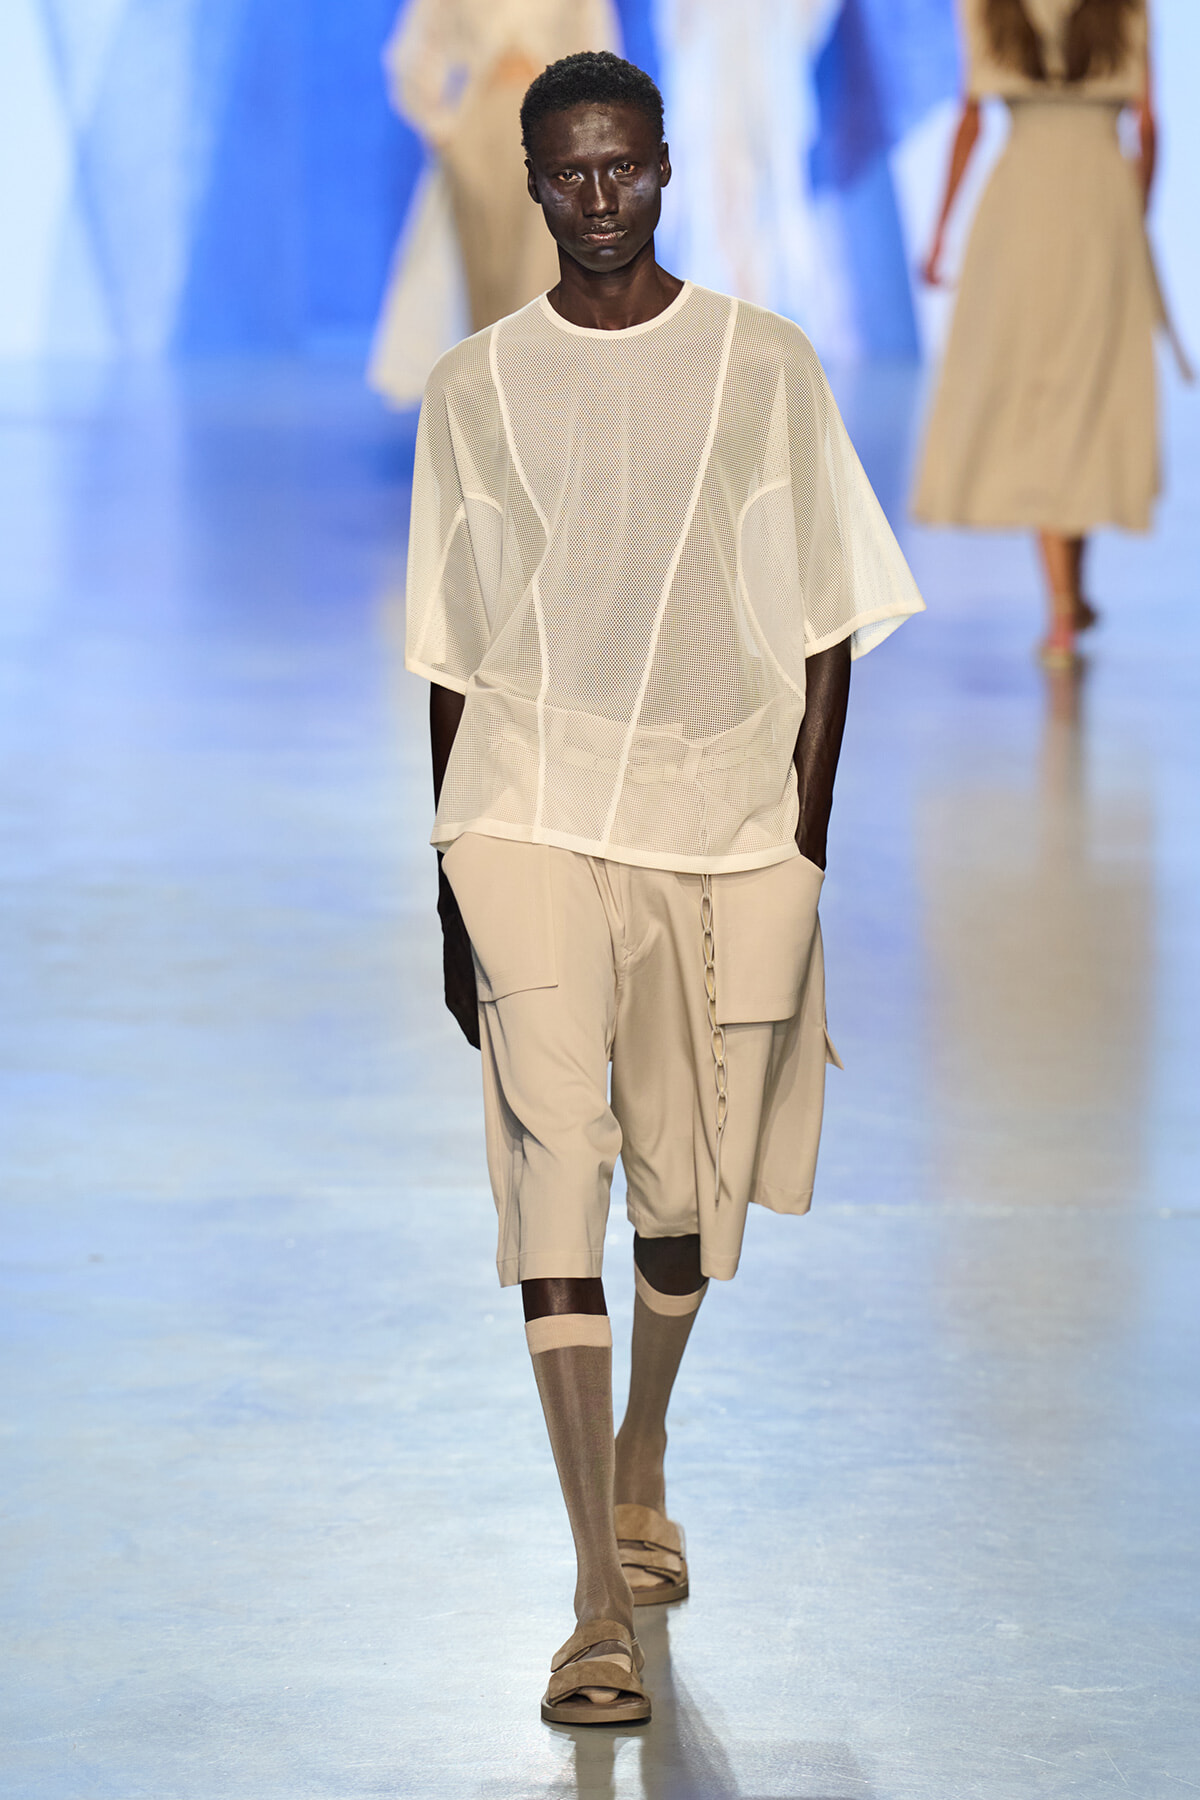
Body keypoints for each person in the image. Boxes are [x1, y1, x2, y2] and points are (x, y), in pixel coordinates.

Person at [405, 50, 924, 1725]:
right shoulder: (476, 387)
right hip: (530, 812)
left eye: (627, 166)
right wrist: (446, 886)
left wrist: (805, 842)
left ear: (668, 166)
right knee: (560, 1175)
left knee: (683, 1207)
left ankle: (642, 1457)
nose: (601, 198)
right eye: (572, 172)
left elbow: (829, 616)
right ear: (539, 179)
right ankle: (588, 1606)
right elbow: (450, 653)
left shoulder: (762, 366)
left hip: (720, 822)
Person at [913, 0, 1165, 669]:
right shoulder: (1128, 9)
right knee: (1081, 395)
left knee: (1040, 395)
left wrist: (940, 232)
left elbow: (970, 118)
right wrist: (1132, 222)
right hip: (1101, 205)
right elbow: (1148, 126)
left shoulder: (986, 9)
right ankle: (1065, 602)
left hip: (1020, 207)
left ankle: (1063, 603)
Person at [368, 0, 617, 408]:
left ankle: (548, 412)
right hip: (480, 130)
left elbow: (599, 52)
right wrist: (442, 128)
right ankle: (492, 421)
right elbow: (413, 51)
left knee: (549, 272)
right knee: (486, 277)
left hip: (554, 131)